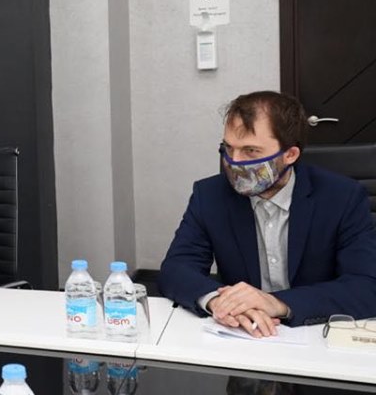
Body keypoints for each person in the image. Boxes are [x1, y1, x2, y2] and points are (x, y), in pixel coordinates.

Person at [159, 91, 376, 336]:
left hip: (316, 334)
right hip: (242, 334)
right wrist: (218, 302)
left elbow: (366, 286)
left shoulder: (343, 197)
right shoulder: (209, 195)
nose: (234, 162)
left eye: (251, 151)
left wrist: (278, 303)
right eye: (228, 148)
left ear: (290, 155)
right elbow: (176, 269)